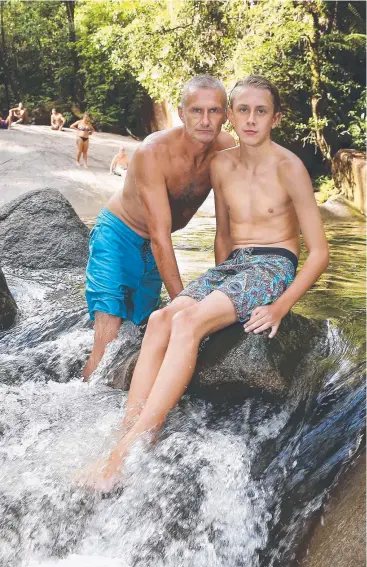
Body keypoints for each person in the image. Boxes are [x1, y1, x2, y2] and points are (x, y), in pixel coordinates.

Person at [78, 75, 329, 492]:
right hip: (232, 265)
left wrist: (280, 305)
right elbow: (223, 238)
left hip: (272, 265)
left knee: (187, 324)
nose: (250, 120)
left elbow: (318, 253)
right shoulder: (221, 164)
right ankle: (127, 431)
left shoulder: (289, 167)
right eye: (242, 110)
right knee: (161, 318)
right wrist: (215, 293)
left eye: (261, 111)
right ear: (233, 115)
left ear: (276, 118)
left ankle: (133, 448)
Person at [82, 75, 235, 381]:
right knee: (109, 335)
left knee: (140, 331)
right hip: (119, 235)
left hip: (154, 246)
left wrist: (228, 291)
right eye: (196, 111)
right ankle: (79, 402)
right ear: (181, 113)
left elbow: (225, 229)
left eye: (214, 111)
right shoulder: (153, 152)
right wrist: (185, 305)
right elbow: (161, 238)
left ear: (226, 115)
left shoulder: (226, 148)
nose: (205, 120)